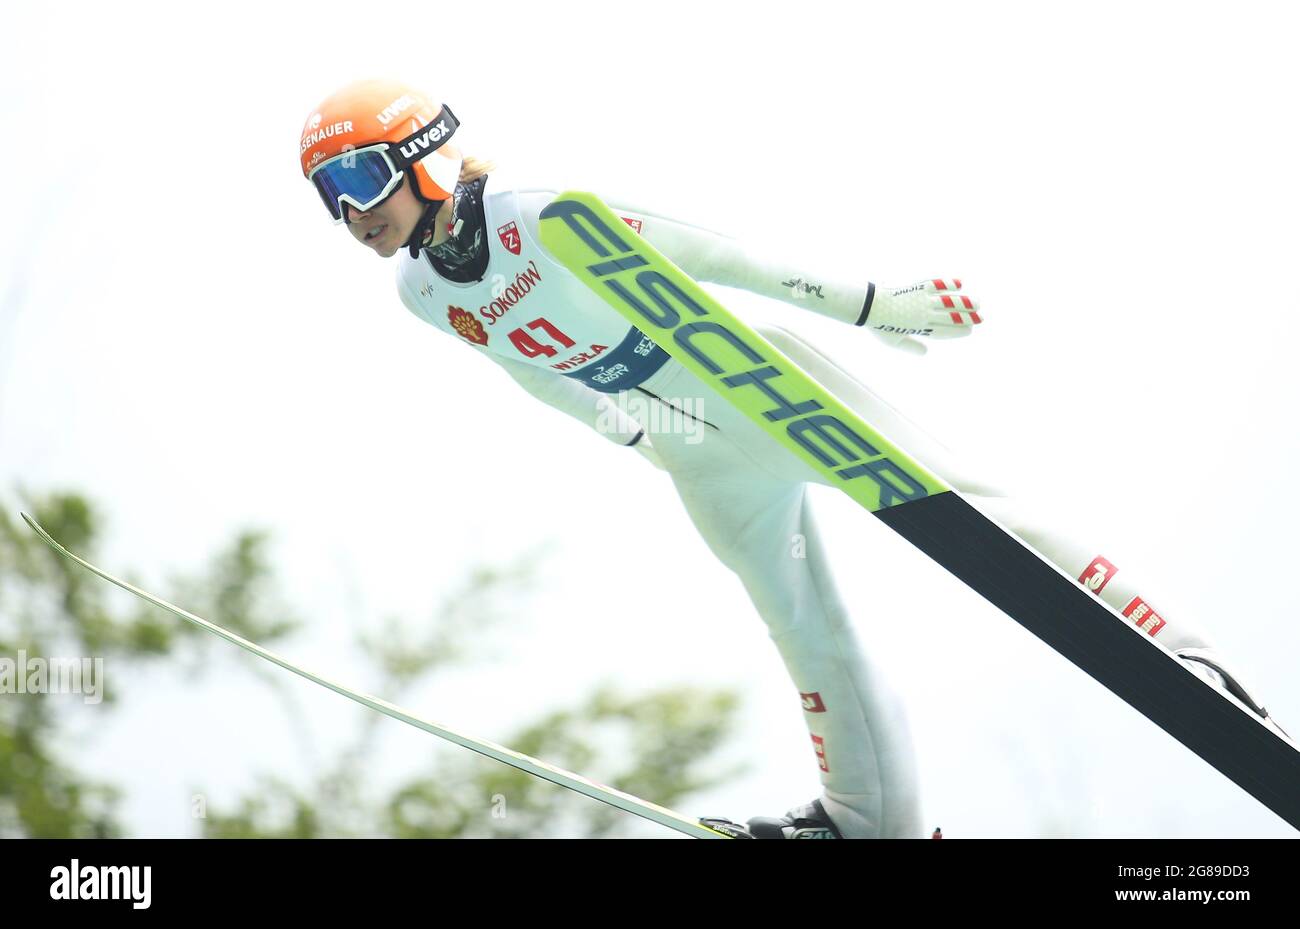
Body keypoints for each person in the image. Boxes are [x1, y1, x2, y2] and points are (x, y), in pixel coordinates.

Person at [299, 79, 1288, 839]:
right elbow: (532, 374)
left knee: (984, 508)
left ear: (424, 152)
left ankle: (1187, 661)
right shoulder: (421, 295)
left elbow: (718, 256)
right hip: (689, 433)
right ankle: (867, 818)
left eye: (356, 179)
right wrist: (638, 431)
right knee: (800, 619)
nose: (350, 214)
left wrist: (869, 301)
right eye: (326, 197)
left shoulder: (536, 211)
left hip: (754, 379)